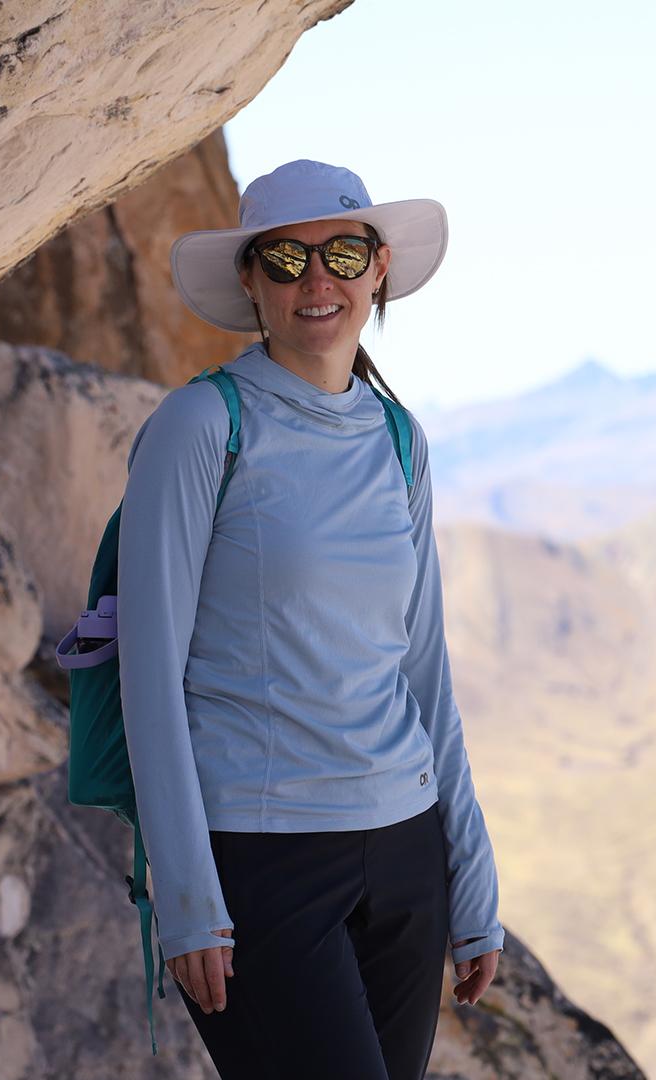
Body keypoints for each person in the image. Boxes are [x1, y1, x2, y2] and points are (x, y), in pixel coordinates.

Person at [119, 159, 501, 1079]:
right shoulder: (203, 426)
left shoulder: (400, 439)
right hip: (261, 861)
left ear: (379, 271)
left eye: (342, 253)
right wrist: (186, 896)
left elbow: (424, 673)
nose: (317, 280)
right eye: (286, 260)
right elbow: (148, 674)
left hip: (406, 854)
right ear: (252, 283)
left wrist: (471, 877)